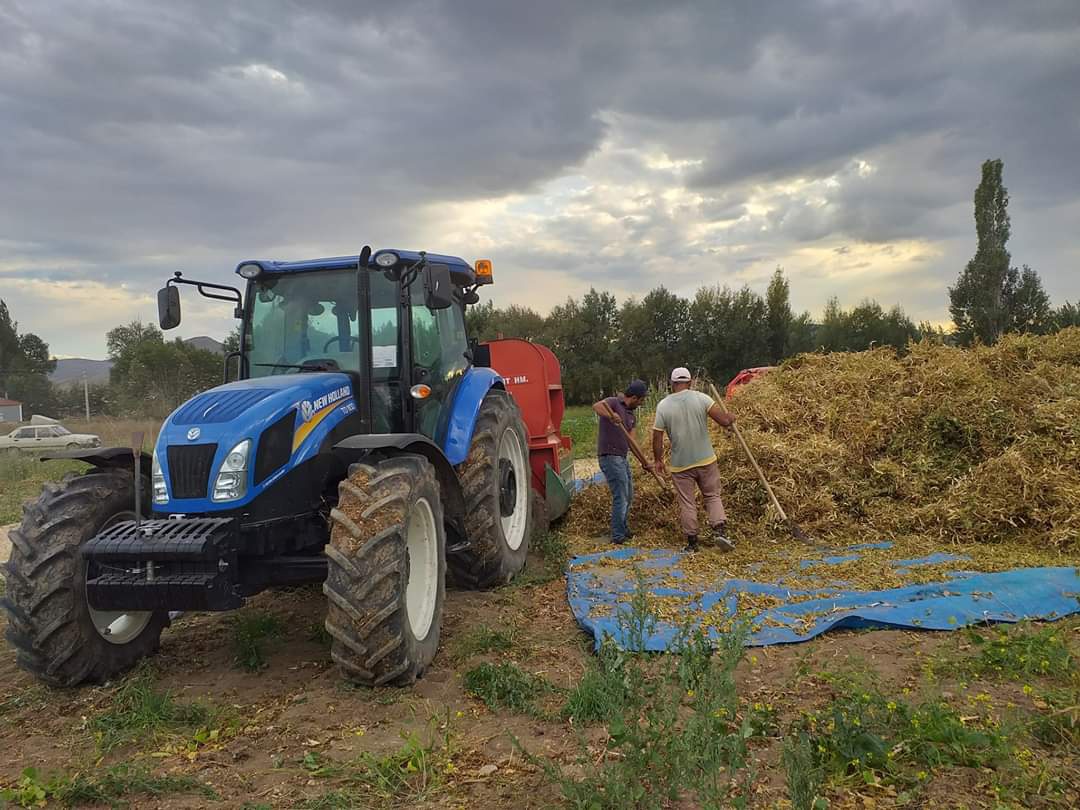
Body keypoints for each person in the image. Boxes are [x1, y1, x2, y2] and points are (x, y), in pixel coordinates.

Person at [652, 367, 736, 552]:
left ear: (672, 383)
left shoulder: (663, 406)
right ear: (690, 382)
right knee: (712, 496)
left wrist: (658, 460)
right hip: (706, 459)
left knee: (687, 502)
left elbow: (657, 436)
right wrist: (730, 417)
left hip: (680, 464)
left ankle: (692, 542)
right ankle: (720, 532)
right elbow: (723, 421)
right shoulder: (702, 398)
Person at [592, 379, 653, 544]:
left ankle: (623, 528)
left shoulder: (631, 416)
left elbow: (632, 443)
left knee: (629, 495)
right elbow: (597, 406)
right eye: (641, 400)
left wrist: (645, 463)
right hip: (609, 456)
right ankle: (618, 535)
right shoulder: (613, 402)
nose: (641, 403)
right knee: (621, 495)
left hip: (622, 458)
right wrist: (611, 416)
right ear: (634, 397)